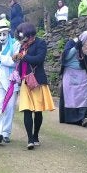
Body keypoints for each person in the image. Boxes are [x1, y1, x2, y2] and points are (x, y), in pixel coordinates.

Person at [14, 22, 55, 150]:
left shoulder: (41, 43)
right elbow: (21, 63)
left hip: (37, 81)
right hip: (26, 82)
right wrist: (16, 59)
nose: (22, 38)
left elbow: (39, 59)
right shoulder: (23, 46)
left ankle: (36, 135)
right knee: (27, 110)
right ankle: (30, 139)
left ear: (29, 33)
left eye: (23, 35)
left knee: (37, 111)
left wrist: (24, 57)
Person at [59, 31, 87, 127]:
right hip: (70, 73)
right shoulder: (71, 43)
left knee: (85, 94)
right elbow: (66, 57)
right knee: (71, 96)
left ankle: (84, 118)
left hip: (82, 73)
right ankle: (72, 119)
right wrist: (76, 47)